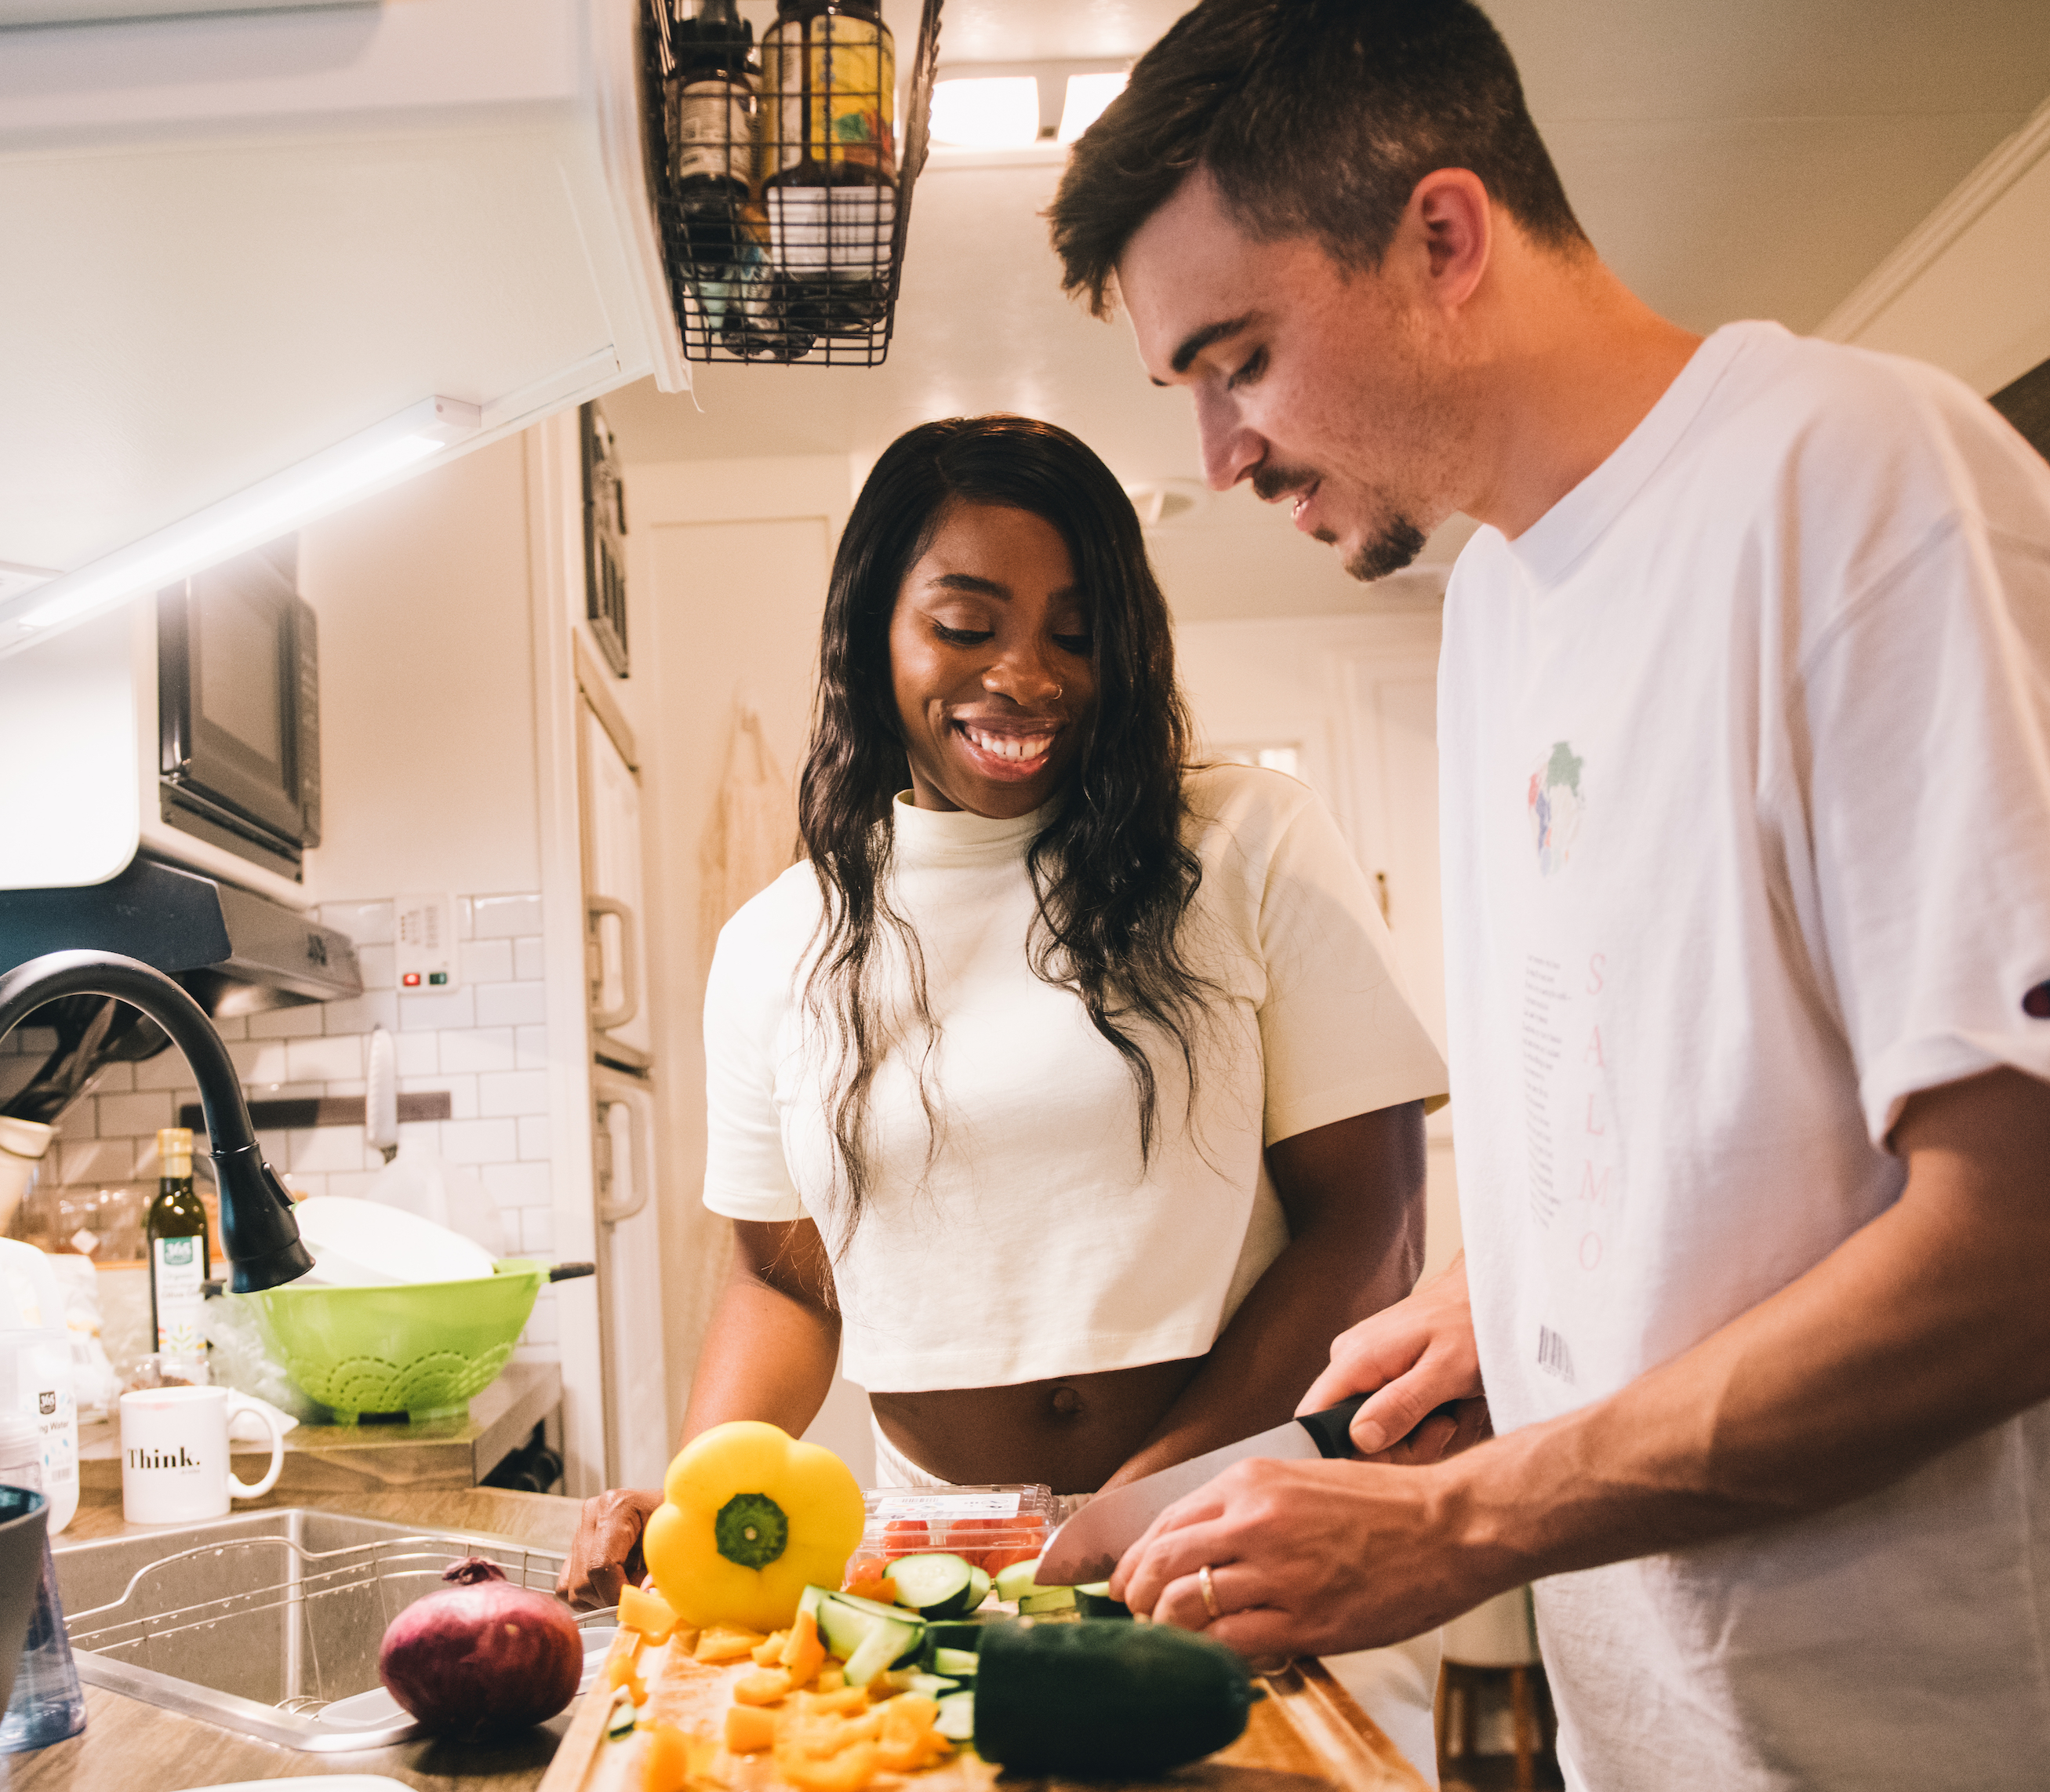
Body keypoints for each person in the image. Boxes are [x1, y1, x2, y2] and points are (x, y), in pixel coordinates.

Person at [1045, 0, 2050, 1792]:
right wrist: (1475, 1317)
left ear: (1445, 233)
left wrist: (1456, 1530)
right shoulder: (1502, 610)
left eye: (1236, 358)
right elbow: (1692, 1124)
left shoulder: (1872, 491)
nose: (1222, 457)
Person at [558, 413, 1445, 1586]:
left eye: (1075, 635)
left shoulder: (1246, 838)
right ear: (873, 632)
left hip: (1237, 1509)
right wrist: (698, 1510)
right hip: (942, 1550)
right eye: (965, 625)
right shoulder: (778, 941)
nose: (1026, 678)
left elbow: (1370, 1224)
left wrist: (1147, 1502)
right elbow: (784, 1284)